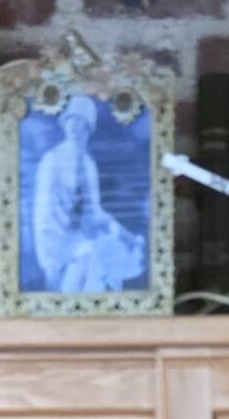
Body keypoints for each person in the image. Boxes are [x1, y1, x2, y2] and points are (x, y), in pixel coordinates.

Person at [27, 90, 144, 294]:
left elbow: (94, 212)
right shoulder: (52, 160)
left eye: (80, 122)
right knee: (95, 254)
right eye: (70, 120)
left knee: (115, 251)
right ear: (64, 124)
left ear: (89, 128)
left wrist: (128, 237)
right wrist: (54, 260)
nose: (74, 127)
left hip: (77, 237)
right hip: (54, 240)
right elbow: (44, 217)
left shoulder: (88, 165)